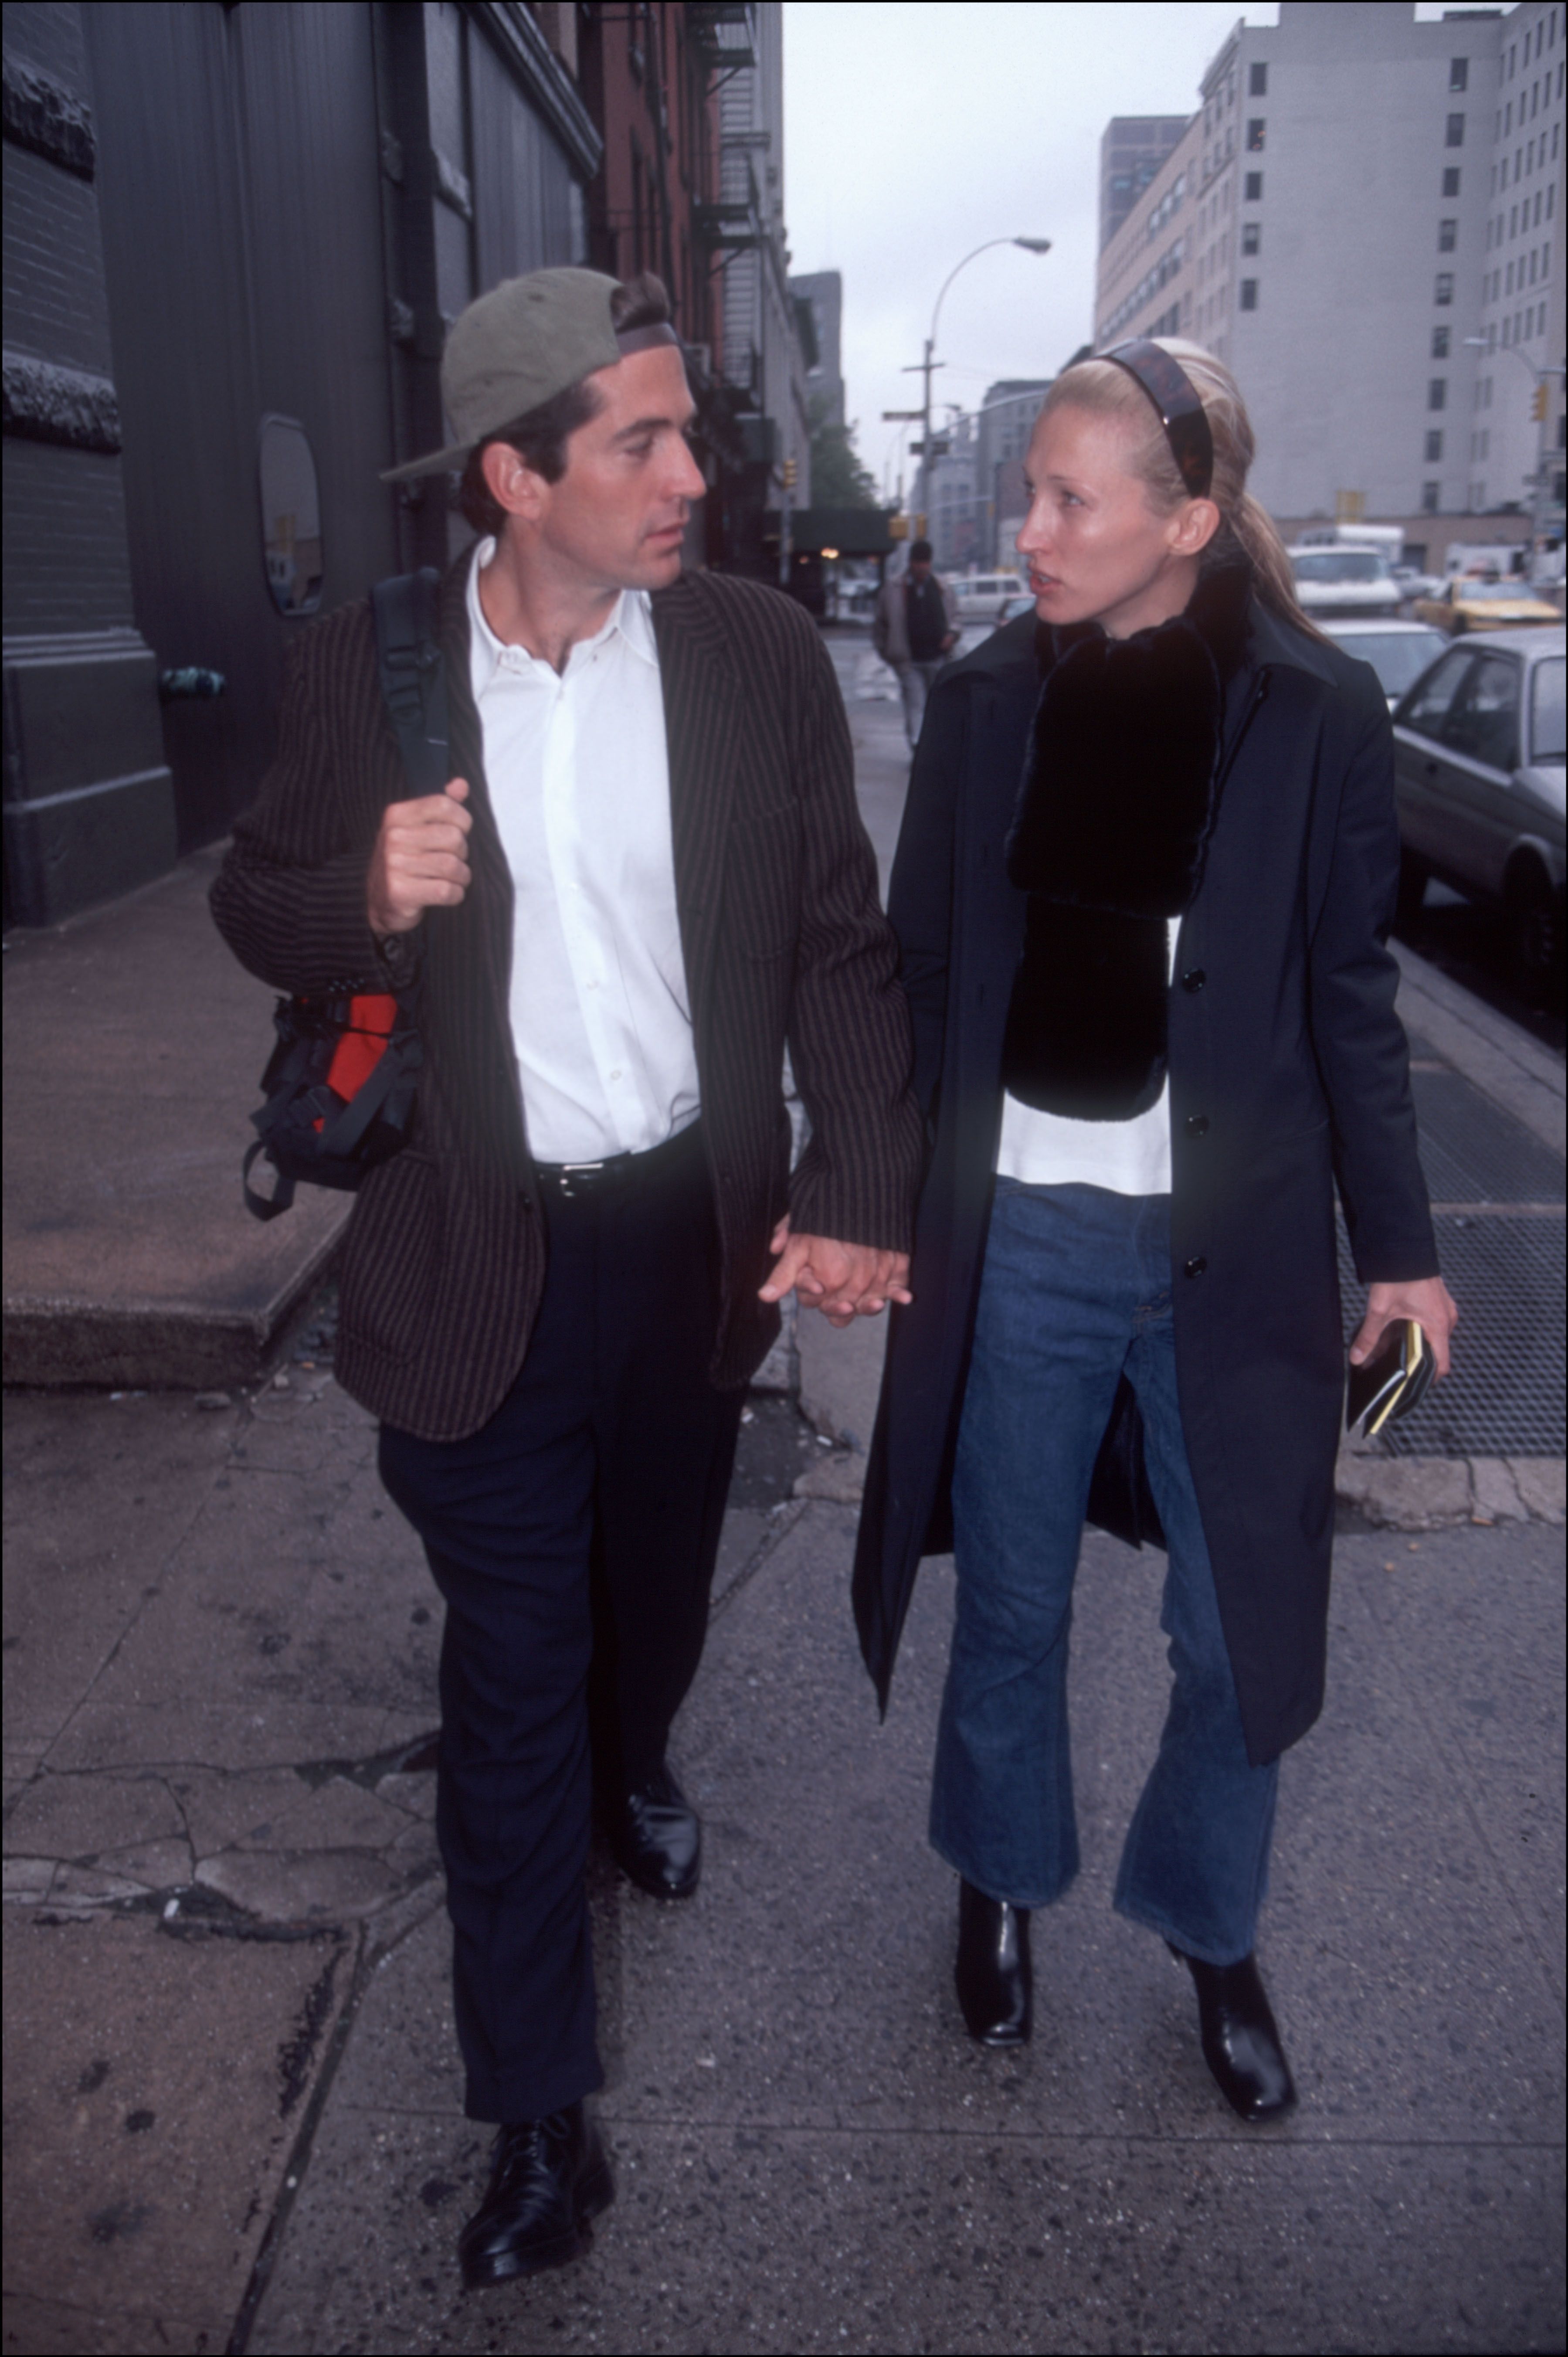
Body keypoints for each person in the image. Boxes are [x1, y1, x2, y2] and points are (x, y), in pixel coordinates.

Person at [212, 267, 921, 2286]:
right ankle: (540, 2119)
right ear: (519, 476)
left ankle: (645, 1754)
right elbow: (252, 900)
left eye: (691, 431)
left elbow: (843, 951)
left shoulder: (758, 659)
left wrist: (861, 1180)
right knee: (508, 1676)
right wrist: (355, 896)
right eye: (644, 441)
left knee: (652, 1592)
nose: (697, 471)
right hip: (471, 1245)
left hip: (687, 1239)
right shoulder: (367, 674)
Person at [852, 338, 1456, 2121]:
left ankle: (1208, 1922)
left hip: (1236, 1247)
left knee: (1234, 1618)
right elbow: (922, 970)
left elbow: (1349, 994)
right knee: (1013, 1600)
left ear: (1182, 516)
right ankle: (996, 1879)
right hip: (1021, 1226)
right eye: (1023, 491)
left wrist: (1404, 1253)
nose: (1021, 529)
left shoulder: (1317, 712)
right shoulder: (980, 707)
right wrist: (871, 1201)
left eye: (1064, 500)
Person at [873, 538, 959, 748]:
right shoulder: (893, 588)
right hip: (908, 661)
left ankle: (934, 748)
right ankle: (918, 748)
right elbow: (880, 626)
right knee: (916, 704)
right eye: (918, 562)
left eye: (926, 562)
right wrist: (889, 653)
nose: (922, 567)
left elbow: (956, 618)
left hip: (937, 659)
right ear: (911, 562)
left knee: (936, 706)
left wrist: (952, 634)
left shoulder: (942, 588)